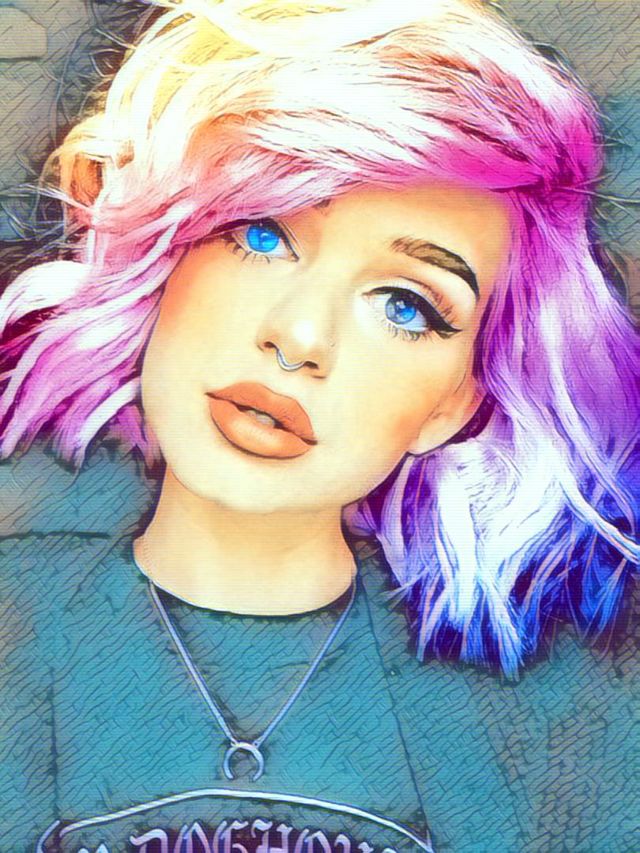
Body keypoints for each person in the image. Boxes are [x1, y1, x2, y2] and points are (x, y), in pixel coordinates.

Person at [1, 0, 639, 850]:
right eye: (262, 234)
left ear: (456, 401)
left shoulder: (556, 726)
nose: (300, 337)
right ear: (169, 250)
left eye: (406, 305)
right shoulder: (15, 622)